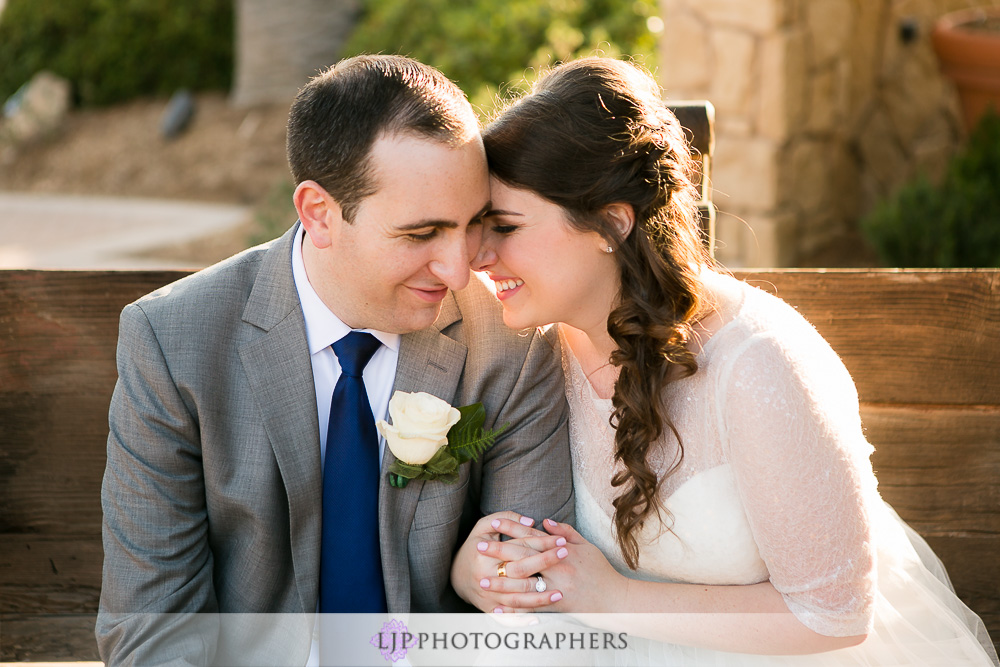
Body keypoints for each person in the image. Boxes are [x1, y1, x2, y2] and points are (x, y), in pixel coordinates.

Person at [455, 57, 999, 666]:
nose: (479, 255)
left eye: (504, 226)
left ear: (610, 223)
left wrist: (614, 600)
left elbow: (835, 616)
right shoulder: (531, 344)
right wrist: (473, 569)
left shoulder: (760, 368)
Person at [96, 54, 574, 666]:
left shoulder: (509, 340)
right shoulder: (174, 341)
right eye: (421, 234)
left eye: (473, 224)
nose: (459, 270)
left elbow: (531, 608)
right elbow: (151, 631)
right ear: (319, 213)